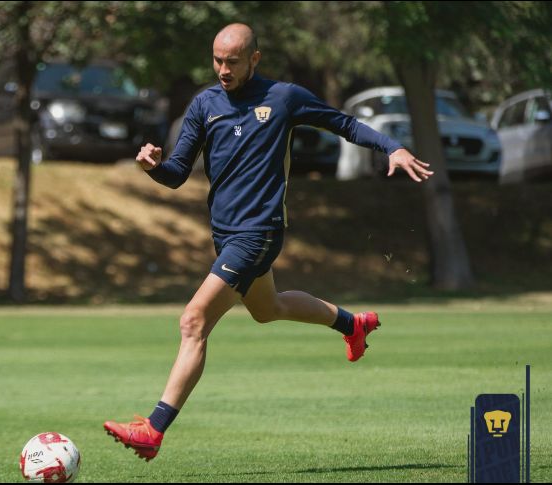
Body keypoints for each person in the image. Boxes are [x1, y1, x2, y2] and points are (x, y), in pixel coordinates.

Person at [103, 23, 433, 461]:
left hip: (259, 231)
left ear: (254, 59)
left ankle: (153, 429)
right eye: (217, 60)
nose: (223, 69)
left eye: (233, 61)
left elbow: (344, 124)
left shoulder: (284, 98)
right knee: (267, 309)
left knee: (193, 321)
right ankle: (351, 325)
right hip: (226, 235)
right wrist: (153, 167)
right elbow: (177, 173)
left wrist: (392, 147)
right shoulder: (204, 104)